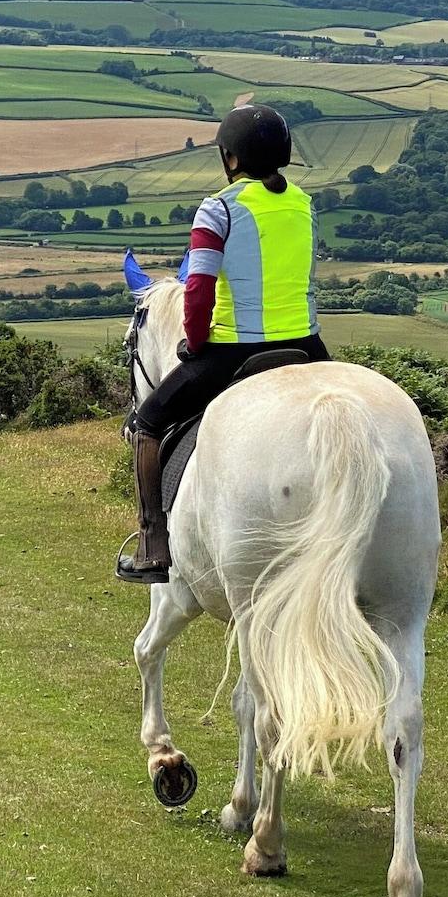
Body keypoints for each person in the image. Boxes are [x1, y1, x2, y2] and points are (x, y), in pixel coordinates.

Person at [117, 103, 330, 584]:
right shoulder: (302, 203)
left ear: (230, 159)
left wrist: (194, 343)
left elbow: (199, 289)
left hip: (235, 350)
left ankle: (153, 543)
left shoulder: (219, 208)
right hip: (308, 345)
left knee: (147, 424)